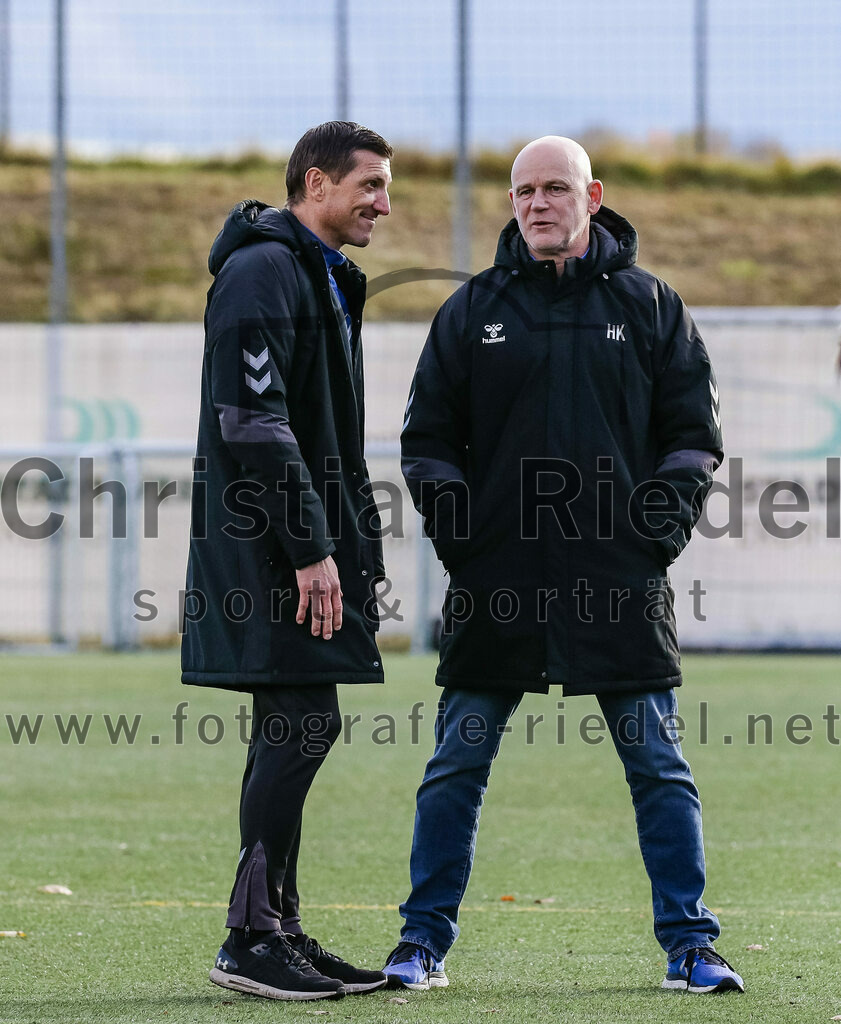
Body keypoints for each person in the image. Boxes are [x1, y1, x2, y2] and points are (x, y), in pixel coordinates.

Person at [382, 136, 744, 995]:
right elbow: (427, 441)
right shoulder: (472, 311)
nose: (536, 204)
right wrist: (465, 536)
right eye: (522, 192)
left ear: (593, 195)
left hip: (618, 581)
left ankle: (690, 946)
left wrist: (648, 535)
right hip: (495, 582)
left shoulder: (653, 306)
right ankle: (420, 943)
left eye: (553, 188)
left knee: (657, 766)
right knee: (455, 767)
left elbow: (693, 440)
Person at [181, 121, 393, 1002]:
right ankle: (251, 940)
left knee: (297, 722)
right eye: (369, 185)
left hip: (303, 545)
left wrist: (354, 546)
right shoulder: (263, 271)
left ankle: (279, 931)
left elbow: (318, 428)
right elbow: (253, 423)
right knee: (302, 720)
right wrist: (310, 549)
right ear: (315, 183)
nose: (384, 203)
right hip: (269, 551)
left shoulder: (320, 274)